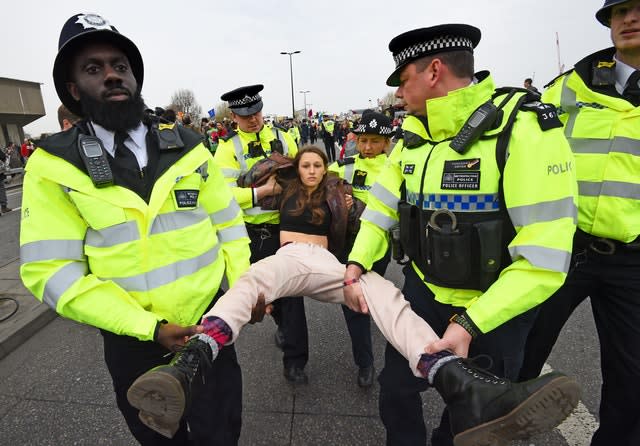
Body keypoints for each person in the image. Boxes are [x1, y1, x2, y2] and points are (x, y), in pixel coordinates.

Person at [128, 146, 581, 446]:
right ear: (294, 168)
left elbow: (374, 206)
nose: (310, 170)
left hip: (325, 264)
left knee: (382, 292)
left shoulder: (338, 188)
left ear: (325, 168)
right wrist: (258, 184)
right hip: (285, 260)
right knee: (248, 284)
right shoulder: (280, 186)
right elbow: (225, 198)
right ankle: (194, 361)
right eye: (304, 164)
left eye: (316, 165)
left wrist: (357, 262)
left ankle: (449, 374)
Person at [19, 13, 252, 445]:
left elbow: (229, 227)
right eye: (93, 68)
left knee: (222, 430)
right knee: (158, 438)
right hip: (134, 342)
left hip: (212, 325)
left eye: (120, 65)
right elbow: (49, 270)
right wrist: (148, 327)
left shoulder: (188, 145)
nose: (111, 75)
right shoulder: (53, 165)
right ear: (73, 90)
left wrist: (241, 294)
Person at [342, 24, 579, 446]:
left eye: (403, 79)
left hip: (492, 312)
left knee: (472, 423)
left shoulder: (522, 129)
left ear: (434, 71)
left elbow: (544, 258)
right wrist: (357, 263)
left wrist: (470, 324)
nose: (398, 93)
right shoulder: (412, 137)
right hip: (423, 297)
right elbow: (378, 209)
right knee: (396, 394)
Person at [519, 1, 640, 444]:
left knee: (633, 385)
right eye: (620, 10)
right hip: (564, 247)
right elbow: (522, 146)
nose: (629, 18)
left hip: (633, 260)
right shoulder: (570, 86)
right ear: (609, 23)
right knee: (516, 351)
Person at [213, 84, 311, 384]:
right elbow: (222, 194)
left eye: (256, 112)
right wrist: (260, 193)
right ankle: (281, 324)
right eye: (245, 115)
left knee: (292, 295)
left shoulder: (283, 137)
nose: (253, 120)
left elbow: (305, 171)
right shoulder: (227, 148)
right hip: (251, 233)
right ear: (234, 116)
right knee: (265, 295)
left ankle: (295, 361)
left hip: (285, 227)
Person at [328, 111, 394, 388]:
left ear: (386, 142)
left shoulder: (396, 167)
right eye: (363, 140)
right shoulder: (344, 165)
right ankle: (365, 363)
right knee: (353, 303)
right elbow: (320, 179)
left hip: (380, 245)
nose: (367, 147)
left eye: (375, 141)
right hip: (348, 245)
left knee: (374, 296)